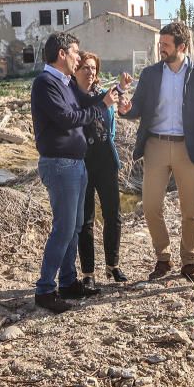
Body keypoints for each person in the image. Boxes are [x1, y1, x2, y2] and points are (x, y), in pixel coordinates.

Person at [120, 21, 194, 282]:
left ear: (182, 47)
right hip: (156, 146)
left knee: (191, 209)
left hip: (190, 148)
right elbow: (137, 107)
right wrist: (125, 107)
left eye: (165, 45)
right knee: (151, 206)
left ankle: (189, 262)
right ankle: (163, 259)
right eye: (159, 44)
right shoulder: (151, 74)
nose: (160, 48)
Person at [30, 32, 119, 313]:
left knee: (76, 226)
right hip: (59, 164)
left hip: (76, 164)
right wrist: (100, 108)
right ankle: (45, 289)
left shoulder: (66, 83)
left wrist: (111, 97)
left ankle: (68, 282)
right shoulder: (46, 83)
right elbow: (67, 119)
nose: (79, 58)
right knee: (64, 227)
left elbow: (85, 102)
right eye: (75, 53)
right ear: (61, 54)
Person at [74, 52, 128, 287]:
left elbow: (113, 111)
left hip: (106, 160)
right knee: (86, 220)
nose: (90, 72)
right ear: (76, 70)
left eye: (94, 68)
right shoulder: (71, 97)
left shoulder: (101, 95)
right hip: (82, 163)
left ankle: (113, 266)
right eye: (85, 67)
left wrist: (123, 93)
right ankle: (88, 274)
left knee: (113, 216)